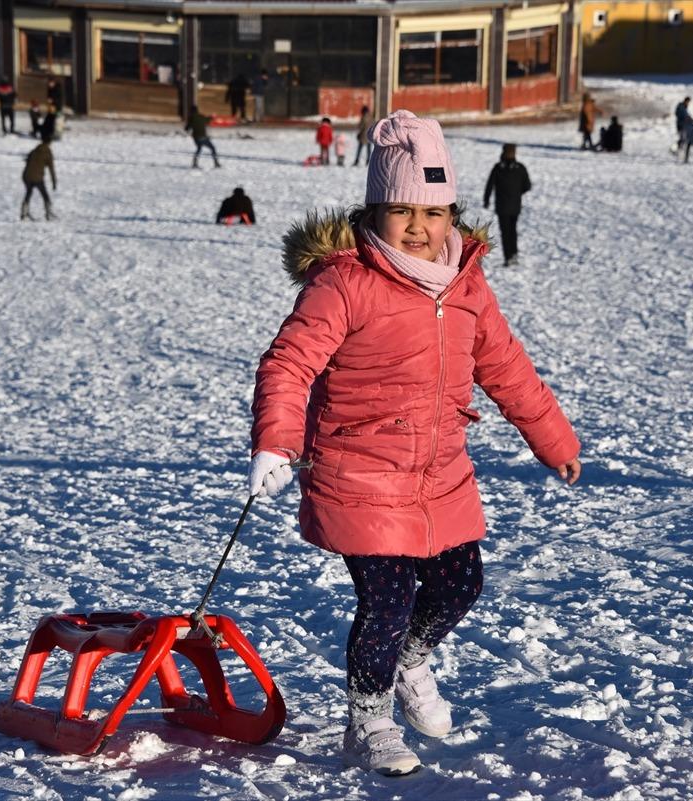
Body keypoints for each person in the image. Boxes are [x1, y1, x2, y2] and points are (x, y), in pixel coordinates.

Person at [249, 109, 581, 777]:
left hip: (439, 474)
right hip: (359, 472)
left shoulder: (467, 284)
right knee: (389, 597)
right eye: (401, 209)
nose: (419, 227)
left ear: (452, 211)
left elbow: (505, 365)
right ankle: (368, 718)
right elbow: (288, 362)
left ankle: (409, 659)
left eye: (433, 211)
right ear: (377, 209)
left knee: (462, 583)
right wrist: (275, 442)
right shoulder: (345, 281)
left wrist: (553, 437)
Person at [483, 143, 531, 267]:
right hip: (515, 205)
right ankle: (514, 254)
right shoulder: (520, 168)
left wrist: (486, 200)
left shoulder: (498, 168)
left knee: (505, 232)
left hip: (502, 206)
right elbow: (527, 186)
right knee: (513, 230)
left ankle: (508, 256)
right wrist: (516, 192)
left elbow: (490, 185)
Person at [20, 135, 57, 221]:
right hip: (37, 177)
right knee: (45, 195)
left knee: (28, 192)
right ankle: (48, 213)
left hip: (27, 175)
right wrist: (54, 182)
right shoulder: (48, 153)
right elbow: (51, 169)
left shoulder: (35, 150)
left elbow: (28, 160)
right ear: (50, 142)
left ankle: (24, 212)